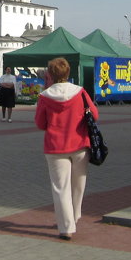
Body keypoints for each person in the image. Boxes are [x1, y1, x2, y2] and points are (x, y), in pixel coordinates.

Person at [34, 57, 98, 241]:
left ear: (50, 75)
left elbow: (40, 123)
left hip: (55, 147)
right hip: (79, 144)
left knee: (60, 187)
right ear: (68, 72)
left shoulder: (45, 96)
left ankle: (66, 227)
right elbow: (94, 114)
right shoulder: (80, 92)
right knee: (78, 185)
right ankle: (75, 216)